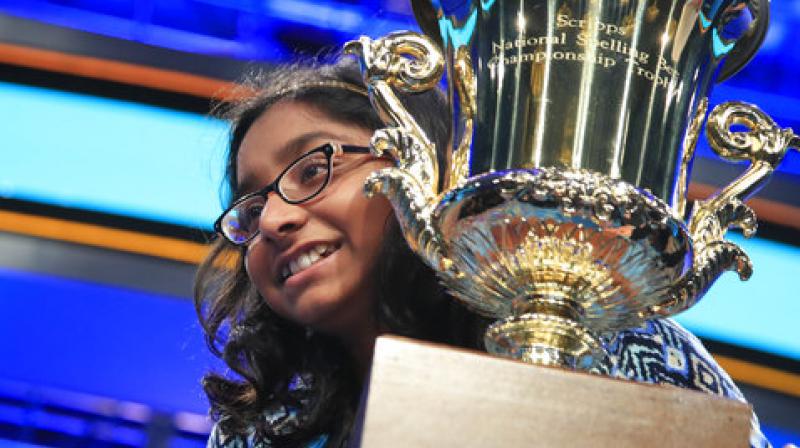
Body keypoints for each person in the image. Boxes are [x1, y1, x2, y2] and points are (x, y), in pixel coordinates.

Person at [194, 55, 770, 447]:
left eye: (315, 169)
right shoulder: (258, 436)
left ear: (422, 162)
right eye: (250, 208)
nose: (273, 219)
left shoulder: (629, 356)